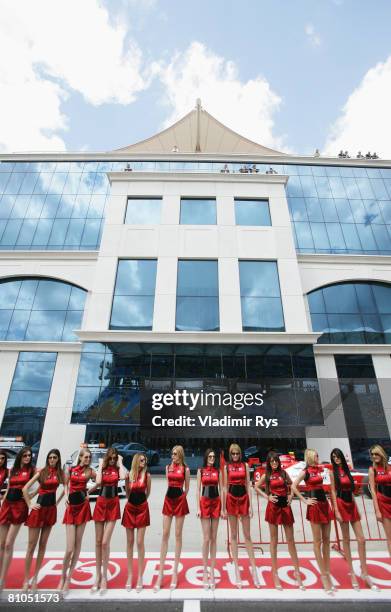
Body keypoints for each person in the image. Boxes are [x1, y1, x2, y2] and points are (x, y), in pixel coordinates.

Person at [329, 448, 378, 591]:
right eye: (333, 457)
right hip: (340, 504)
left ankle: (364, 572)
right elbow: (332, 491)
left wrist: (356, 507)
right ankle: (351, 572)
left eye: (337, 456)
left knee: (361, 539)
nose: (336, 459)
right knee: (346, 540)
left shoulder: (347, 470)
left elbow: (350, 491)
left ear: (341, 457)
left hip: (351, 505)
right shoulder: (332, 473)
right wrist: (336, 510)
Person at [255, 452, 305, 590]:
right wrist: (267, 497)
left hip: (285, 507)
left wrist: (290, 495)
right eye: (271, 461)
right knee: (274, 541)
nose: (274, 463)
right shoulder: (267, 475)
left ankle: (297, 571)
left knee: (291, 541)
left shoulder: (283, 473)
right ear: (269, 463)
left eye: (276, 461)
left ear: (278, 461)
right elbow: (256, 486)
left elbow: (293, 485)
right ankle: (275, 572)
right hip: (273, 507)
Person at [292, 449, 334, 594]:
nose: (318, 457)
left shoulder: (320, 469)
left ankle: (327, 571)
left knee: (327, 539)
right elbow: (293, 485)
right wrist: (305, 500)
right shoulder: (306, 471)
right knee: (318, 541)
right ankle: (323, 576)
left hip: (324, 504)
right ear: (310, 456)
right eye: (316, 455)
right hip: (315, 506)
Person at [22, 449, 65, 592]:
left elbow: (68, 487)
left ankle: (35, 579)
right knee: (31, 545)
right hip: (38, 510)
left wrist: (60, 501)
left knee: (42, 545)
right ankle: (26, 579)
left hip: (50, 510)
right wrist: (30, 504)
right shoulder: (41, 472)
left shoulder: (60, 473)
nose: (52, 460)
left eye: (54, 458)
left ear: (58, 459)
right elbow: (25, 488)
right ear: (47, 459)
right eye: (50, 457)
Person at [59, 447, 97, 594]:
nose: (87, 459)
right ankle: (62, 576)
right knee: (69, 548)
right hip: (71, 507)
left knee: (77, 544)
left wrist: (89, 492)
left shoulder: (90, 471)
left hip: (83, 507)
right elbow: (66, 485)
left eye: (89, 457)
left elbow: (100, 481)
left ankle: (68, 578)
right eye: (85, 457)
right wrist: (66, 497)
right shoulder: (71, 469)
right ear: (80, 457)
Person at [223, 443, 260, 588]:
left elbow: (248, 485)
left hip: (244, 498)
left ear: (240, 453)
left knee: (247, 535)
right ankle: (237, 570)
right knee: (233, 535)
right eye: (233, 453)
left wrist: (250, 506)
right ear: (230, 454)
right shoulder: (226, 467)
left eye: (237, 453)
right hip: (231, 499)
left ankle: (254, 570)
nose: (235, 456)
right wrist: (224, 507)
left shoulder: (245, 466)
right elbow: (225, 487)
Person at [154, 445, 190, 591]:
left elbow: (187, 487)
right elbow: (168, 483)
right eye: (172, 453)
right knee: (165, 534)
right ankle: (161, 573)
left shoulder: (186, 469)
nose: (172, 456)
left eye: (175, 454)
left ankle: (175, 572)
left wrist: (182, 498)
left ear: (180, 455)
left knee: (177, 535)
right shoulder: (167, 467)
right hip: (168, 499)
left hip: (179, 500)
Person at [91, 447, 126, 594]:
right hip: (100, 503)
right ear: (107, 458)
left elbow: (124, 477)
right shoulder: (102, 468)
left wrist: (120, 461)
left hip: (113, 504)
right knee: (98, 542)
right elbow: (98, 481)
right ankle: (97, 576)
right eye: (110, 458)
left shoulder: (117, 468)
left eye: (114, 458)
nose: (112, 460)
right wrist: (101, 464)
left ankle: (105, 576)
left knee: (105, 542)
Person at [0, 447, 35, 592]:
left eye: (29, 456)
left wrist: (29, 499)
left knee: (9, 544)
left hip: (19, 508)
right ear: (20, 456)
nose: (27, 457)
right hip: (7, 505)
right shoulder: (12, 470)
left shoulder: (32, 470)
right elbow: (8, 487)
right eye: (25, 455)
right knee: (1, 544)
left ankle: (2, 580)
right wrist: (3, 502)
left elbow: (39, 486)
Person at [122, 453, 151, 592]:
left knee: (140, 542)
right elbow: (127, 492)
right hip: (130, 508)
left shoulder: (147, 475)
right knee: (129, 542)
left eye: (144, 460)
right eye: (141, 460)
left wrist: (141, 503)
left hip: (142, 508)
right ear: (135, 461)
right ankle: (129, 576)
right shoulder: (129, 475)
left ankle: (140, 576)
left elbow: (148, 492)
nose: (143, 462)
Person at [196, 448, 222, 590]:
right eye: (210, 456)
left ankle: (212, 572)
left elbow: (222, 488)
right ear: (206, 458)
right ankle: (205, 571)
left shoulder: (218, 471)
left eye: (214, 456)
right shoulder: (201, 470)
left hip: (216, 502)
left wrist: (223, 508)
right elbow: (197, 489)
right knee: (206, 538)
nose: (212, 458)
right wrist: (198, 507)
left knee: (214, 538)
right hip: (205, 502)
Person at [368, 444, 391, 556]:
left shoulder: (390, 467)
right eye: (372, 454)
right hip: (384, 505)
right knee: (390, 537)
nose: (374, 456)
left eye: (376, 453)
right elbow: (373, 490)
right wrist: (377, 510)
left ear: (381, 454)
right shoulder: (372, 470)